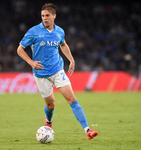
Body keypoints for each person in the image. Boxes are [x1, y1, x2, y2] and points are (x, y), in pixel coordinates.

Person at [17, 3, 98, 140]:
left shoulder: (59, 31)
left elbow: (63, 44)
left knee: (72, 100)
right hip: (41, 75)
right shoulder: (34, 31)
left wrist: (71, 60)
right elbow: (19, 49)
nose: (45, 18)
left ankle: (88, 130)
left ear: (54, 16)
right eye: (42, 16)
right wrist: (31, 62)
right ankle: (48, 121)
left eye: (47, 15)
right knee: (50, 104)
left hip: (57, 70)